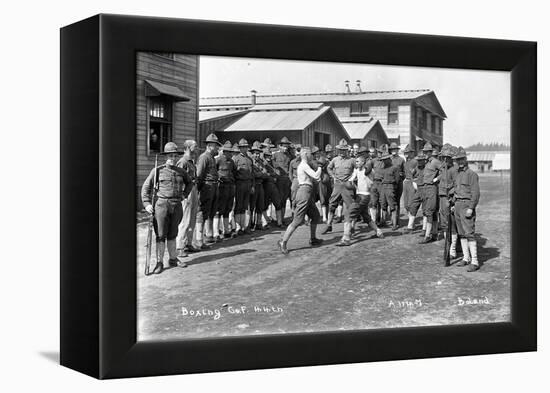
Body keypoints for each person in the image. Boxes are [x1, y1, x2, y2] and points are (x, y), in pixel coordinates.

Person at [141, 142, 193, 273]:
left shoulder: (181, 171)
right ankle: (159, 262)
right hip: (162, 206)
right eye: (170, 156)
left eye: (175, 156)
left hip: (176, 206)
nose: (173, 158)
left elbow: (190, 183)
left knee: (173, 233)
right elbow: (145, 188)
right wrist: (146, 204)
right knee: (160, 234)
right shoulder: (157, 171)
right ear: (165, 157)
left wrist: (184, 195)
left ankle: (173, 259)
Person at [277, 147, 323, 254]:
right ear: (306, 154)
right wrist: (320, 167)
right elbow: (316, 175)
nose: (312, 156)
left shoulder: (304, 165)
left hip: (307, 192)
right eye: (310, 154)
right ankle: (283, 242)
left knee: (315, 216)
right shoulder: (303, 165)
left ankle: (313, 239)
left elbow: (314, 179)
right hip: (303, 193)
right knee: (297, 220)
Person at [453, 147, 481, 272]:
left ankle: (475, 261)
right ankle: (466, 258)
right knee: (461, 234)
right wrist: (454, 203)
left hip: (466, 206)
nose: (460, 162)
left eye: (461, 159)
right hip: (458, 205)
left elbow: (475, 193)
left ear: (466, 159)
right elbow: (457, 190)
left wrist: (471, 207)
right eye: (458, 160)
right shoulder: (458, 174)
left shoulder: (472, 175)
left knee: (469, 233)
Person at [323, 139, 356, 246]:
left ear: (347, 150)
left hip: (347, 186)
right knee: (332, 204)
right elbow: (329, 168)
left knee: (350, 207)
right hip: (337, 185)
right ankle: (329, 225)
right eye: (340, 150)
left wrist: (352, 178)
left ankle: (352, 227)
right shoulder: (334, 159)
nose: (342, 152)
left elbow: (357, 170)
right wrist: (333, 176)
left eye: (344, 150)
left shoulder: (352, 160)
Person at [176, 140, 202, 256]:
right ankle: (180, 247)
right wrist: (182, 194)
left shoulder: (191, 161)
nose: (197, 149)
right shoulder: (183, 162)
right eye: (195, 147)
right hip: (186, 192)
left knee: (192, 219)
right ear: (187, 148)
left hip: (194, 189)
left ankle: (188, 243)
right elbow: (177, 179)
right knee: (184, 220)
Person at [196, 134, 222, 247]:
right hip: (207, 187)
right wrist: (200, 189)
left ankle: (209, 235)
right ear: (210, 145)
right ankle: (199, 239)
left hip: (214, 186)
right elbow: (199, 175)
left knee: (211, 211)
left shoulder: (211, 157)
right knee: (202, 212)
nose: (217, 148)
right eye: (216, 146)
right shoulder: (204, 157)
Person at [349, 155, 384, 238]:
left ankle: (350, 233)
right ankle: (378, 231)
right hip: (359, 195)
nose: (356, 163)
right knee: (366, 217)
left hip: (365, 196)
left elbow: (373, 180)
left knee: (352, 213)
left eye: (358, 161)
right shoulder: (357, 170)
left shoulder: (369, 171)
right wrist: (352, 184)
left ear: (363, 162)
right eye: (356, 161)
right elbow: (351, 180)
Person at [438, 144, 459, 258]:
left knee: (453, 225)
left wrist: (453, 199)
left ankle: (453, 249)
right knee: (445, 224)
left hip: (450, 199)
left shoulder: (454, 169)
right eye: (443, 157)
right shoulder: (443, 168)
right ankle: (448, 246)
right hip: (442, 197)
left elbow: (457, 186)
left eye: (447, 157)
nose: (445, 159)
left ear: (451, 158)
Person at [419, 142, 442, 243]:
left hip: (432, 188)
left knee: (430, 211)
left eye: (427, 152)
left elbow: (444, 171)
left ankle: (428, 235)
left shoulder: (435, 161)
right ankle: (434, 233)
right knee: (430, 212)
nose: (425, 153)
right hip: (426, 188)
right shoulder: (427, 162)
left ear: (431, 152)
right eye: (424, 152)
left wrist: (436, 179)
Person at [215, 141, 237, 240]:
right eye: (227, 152)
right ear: (223, 152)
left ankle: (226, 230)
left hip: (230, 186)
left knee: (228, 208)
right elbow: (214, 172)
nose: (229, 154)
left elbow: (234, 172)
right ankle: (216, 231)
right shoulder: (218, 160)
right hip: (221, 187)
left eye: (230, 152)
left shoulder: (231, 162)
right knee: (219, 209)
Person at [233, 138, 253, 235]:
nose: (244, 149)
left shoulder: (249, 159)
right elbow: (233, 173)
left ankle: (244, 226)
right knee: (239, 205)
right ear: (239, 148)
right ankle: (238, 227)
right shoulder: (235, 159)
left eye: (245, 147)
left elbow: (251, 173)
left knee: (245, 206)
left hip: (248, 184)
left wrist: (252, 185)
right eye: (242, 147)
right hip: (239, 184)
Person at [272, 137, 293, 221]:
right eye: (284, 146)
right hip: (279, 180)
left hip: (287, 180)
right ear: (280, 146)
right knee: (279, 199)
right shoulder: (275, 155)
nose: (285, 148)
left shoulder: (289, 156)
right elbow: (272, 166)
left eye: (287, 147)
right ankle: (279, 220)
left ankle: (282, 219)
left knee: (284, 199)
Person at [262, 148, 284, 227]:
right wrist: (271, 175)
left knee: (278, 203)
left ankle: (279, 222)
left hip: (273, 186)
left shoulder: (272, 164)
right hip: (265, 186)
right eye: (267, 156)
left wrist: (272, 174)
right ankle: (265, 222)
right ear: (264, 156)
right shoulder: (263, 164)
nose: (269, 157)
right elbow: (264, 174)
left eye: (270, 156)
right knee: (264, 205)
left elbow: (278, 173)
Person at [379, 152, 401, 230]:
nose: (384, 161)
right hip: (383, 187)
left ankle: (395, 224)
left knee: (393, 206)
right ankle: (383, 221)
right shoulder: (383, 168)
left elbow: (397, 180)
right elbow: (381, 178)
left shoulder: (395, 168)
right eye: (383, 160)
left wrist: (393, 188)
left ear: (389, 159)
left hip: (390, 186)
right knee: (383, 204)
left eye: (385, 160)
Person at [249, 141, 268, 230]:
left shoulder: (261, 162)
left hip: (260, 185)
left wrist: (260, 174)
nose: (257, 155)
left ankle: (258, 223)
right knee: (252, 206)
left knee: (260, 205)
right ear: (252, 154)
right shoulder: (250, 162)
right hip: (253, 185)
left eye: (258, 154)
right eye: (255, 154)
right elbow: (252, 174)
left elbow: (265, 173)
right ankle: (250, 223)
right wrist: (261, 174)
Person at [407, 154, 427, 233]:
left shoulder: (427, 168)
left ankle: (424, 228)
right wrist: (413, 182)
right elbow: (411, 176)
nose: (419, 162)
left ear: (424, 160)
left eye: (421, 160)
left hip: (426, 189)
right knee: (413, 206)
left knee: (425, 209)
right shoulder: (416, 168)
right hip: (418, 189)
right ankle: (410, 226)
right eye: (418, 160)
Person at [402, 144, 418, 233]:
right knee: (406, 204)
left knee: (412, 203)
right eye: (405, 153)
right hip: (406, 182)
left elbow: (418, 173)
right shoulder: (406, 162)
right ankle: (412, 222)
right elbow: (406, 173)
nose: (406, 154)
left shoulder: (415, 161)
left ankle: (410, 225)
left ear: (412, 153)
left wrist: (415, 182)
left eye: (408, 152)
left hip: (413, 182)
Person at [318, 144, 334, 222]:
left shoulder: (334, 159)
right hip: (323, 181)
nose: (329, 154)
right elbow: (319, 169)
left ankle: (329, 216)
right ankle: (324, 216)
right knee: (323, 199)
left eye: (330, 152)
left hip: (332, 182)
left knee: (331, 199)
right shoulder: (322, 159)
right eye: (327, 152)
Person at [389, 142, 405, 218]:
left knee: (397, 201)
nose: (394, 150)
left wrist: (401, 176)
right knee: (390, 201)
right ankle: (391, 219)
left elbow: (404, 172)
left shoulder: (401, 160)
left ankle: (396, 220)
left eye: (395, 149)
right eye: (392, 149)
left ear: (397, 150)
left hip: (398, 183)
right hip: (389, 183)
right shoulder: (388, 159)